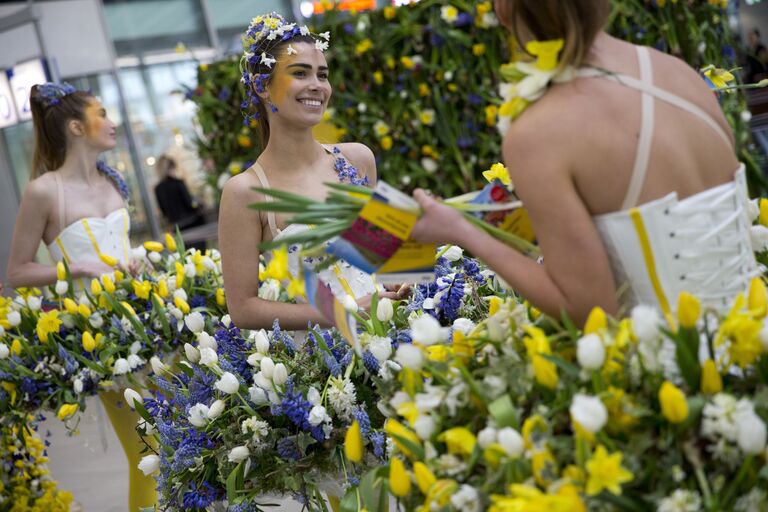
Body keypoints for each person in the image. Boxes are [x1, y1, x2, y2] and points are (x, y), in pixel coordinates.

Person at [411, 0, 758, 327]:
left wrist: (462, 231)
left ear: (503, 10)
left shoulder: (539, 132)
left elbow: (591, 309)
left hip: (676, 380)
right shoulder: (679, 74)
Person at [5, 83, 156, 510]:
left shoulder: (114, 181)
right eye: (102, 114)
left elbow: (120, 250)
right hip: (102, 339)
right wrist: (74, 269)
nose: (112, 123)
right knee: (145, 453)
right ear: (75, 127)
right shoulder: (43, 191)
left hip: (150, 321)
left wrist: (138, 262)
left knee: (179, 439)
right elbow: (17, 271)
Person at [219, 12, 391, 332]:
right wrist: (342, 312)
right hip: (326, 361)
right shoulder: (244, 192)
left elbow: (382, 255)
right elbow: (243, 308)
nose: (317, 86)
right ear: (262, 86)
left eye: (322, 75)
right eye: (300, 73)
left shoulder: (359, 159)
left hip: (395, 330)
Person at [154, 153, 206, 251]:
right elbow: (189, 203)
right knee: (200, 253)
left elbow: (163, 211)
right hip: (193, 224)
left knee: (187, 257)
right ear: (171, 168)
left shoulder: (158, 189)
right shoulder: (178, 183)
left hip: (177, 228)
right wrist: (199, 203)